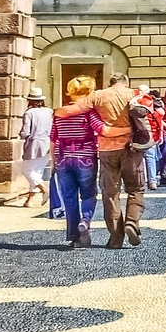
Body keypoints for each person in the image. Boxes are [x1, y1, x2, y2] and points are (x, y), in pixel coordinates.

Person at [56, 74, 146, 248]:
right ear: (126, 82)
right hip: (132, 148)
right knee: (136, 188)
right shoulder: (134, 94)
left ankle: (115, 237)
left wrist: (55, 111)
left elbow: (69, 111)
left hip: (107, 150)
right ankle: (132, 223)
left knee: (110, 193)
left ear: (109, 83)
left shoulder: (98, 96)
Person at [50, 77, 103, 247]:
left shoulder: (59, 112)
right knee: (88, 194)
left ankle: (75, 236)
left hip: (63, 157)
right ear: (89, 92)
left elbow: (53, 138)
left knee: (69, 197)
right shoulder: (88, 113)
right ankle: (85, 221)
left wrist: (53, 163)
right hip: (85, 156)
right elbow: (100, 130)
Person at [16, 89, 53, 206]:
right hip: (48, 143)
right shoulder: (49, 111)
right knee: (37, 172)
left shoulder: (29, 113)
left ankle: (44, 189)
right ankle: (29, 201)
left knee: (27, 170)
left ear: (30, 100)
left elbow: (25, 132)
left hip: (34, 144)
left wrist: (20, 134)